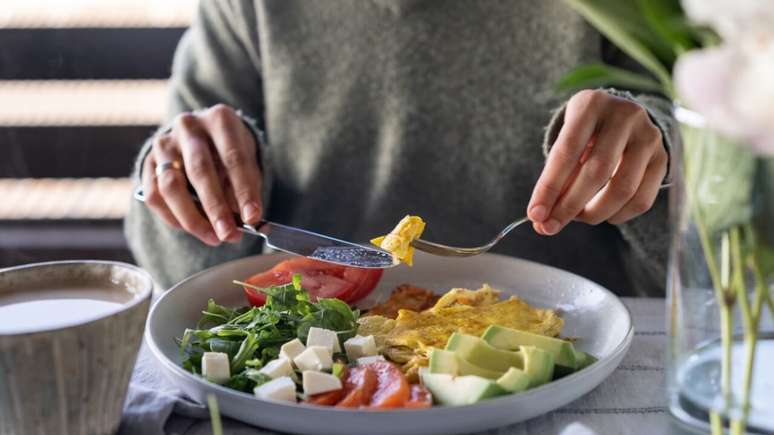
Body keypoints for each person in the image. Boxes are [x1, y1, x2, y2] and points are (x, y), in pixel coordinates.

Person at [125, 0, 675, 296]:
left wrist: (664, 150)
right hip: (311, 372)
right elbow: (174, 265)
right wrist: (180, 178)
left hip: (582, 358)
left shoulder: (619, 9)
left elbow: (723, 223)